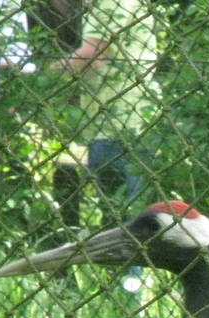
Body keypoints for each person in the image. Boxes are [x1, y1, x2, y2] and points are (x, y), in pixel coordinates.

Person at [38, 0, 161, 221]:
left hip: (124, 125)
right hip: (118, 122)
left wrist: (33, 79)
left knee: (133, 218)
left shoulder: (111, 3)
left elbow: (92, 55)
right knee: (120, 215)